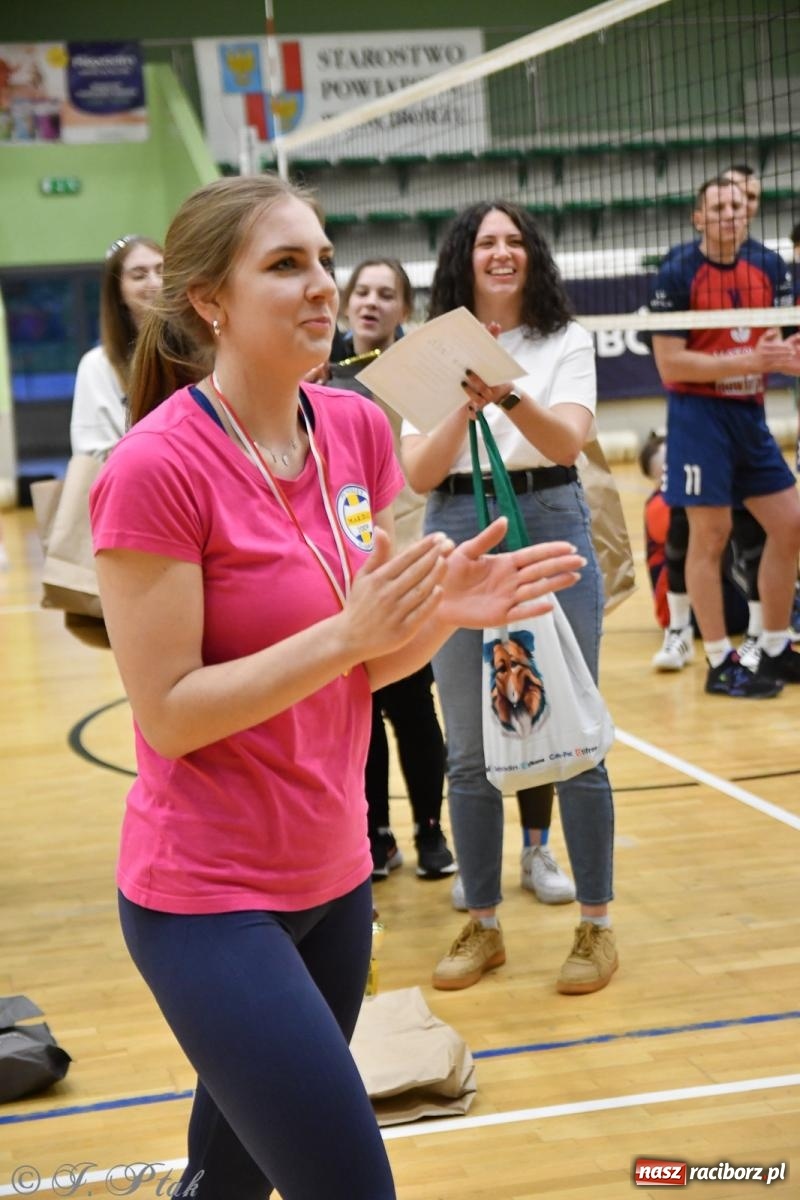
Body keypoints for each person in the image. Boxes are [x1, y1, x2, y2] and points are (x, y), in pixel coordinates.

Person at [88, 174, 584, 1198]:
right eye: (284, 265)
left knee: (226, 1185)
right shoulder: (154, 467)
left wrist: (442, 613)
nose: (319, 285)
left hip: (334, 877)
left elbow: (369, 665)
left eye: (321, 257)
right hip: (208, 901)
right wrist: (347, 632)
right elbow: (170, 716)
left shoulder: (354, 433)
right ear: (208, 302)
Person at [401, 200, 617, 994]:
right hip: (455, 520)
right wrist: (463, 398)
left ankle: (595, 924)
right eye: (486, 241)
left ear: (533, 256)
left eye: (514, 241)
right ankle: (483, 924)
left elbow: (565, 441)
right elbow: (419, 474)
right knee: (468, 744)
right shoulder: (425, 351)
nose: (501, 252)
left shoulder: (567, 339)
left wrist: (507, 393)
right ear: (463, 257)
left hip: (549, 510)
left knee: (576, 730)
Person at [650, 175, 800, 697]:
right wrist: (750, 359)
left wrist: (786, 357)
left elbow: (776, 339)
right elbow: (670, 365)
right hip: (698, 417)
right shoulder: (677, 271)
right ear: (699, 218)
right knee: (709, 537)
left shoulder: (769, 264)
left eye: (736, 206)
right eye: (716, 208)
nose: (729, 215)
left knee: (791, 524)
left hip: (749, 413)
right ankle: (718, 659)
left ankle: (776, 648)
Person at [330, 257, 455, 881]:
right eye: (363, 292)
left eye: (387, 294)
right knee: (362, 712)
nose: (372, 302)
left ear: (404, 309)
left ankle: (431, 831)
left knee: (413, 708)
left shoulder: (418, 377)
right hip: (345, 570)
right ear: (347, 302)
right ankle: (374, 832)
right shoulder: (319, 373)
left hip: (406, 554)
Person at [70, 234, 164, 458]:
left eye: (162, 271)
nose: (156, 283)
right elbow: (93, 454)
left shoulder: (200, 351)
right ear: (118, 292)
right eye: (140, 276)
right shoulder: (97, 366)